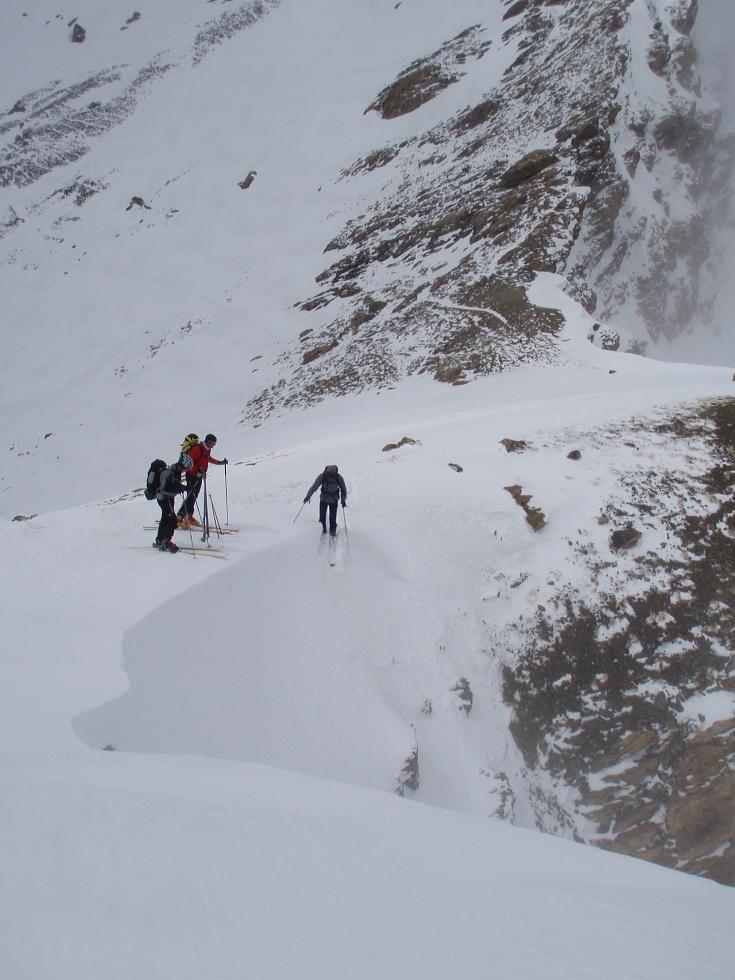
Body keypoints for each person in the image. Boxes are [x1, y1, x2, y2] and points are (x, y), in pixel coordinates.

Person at [178, 433, 227, 528]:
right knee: (190, 496)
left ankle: (189, 516)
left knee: (194, 496)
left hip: (199, 475)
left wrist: (220, 463)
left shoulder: (207, 449)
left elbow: (208, 459)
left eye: (214, 444)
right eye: (210, 443)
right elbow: (189, 463)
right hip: (192, 475)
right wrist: (197, 472)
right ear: (206, 441)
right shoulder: (198, 449)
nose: (212, 445)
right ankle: (180, 518)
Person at [156, 454, 190, 553]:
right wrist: (182, 488)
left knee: (165, 518)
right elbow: (166, 488)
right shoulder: (172, 473)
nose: (185, 470)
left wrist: (182, 487)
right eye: (186, 468)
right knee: (172, 520)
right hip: (165, 498)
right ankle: (166, 542)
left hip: (165, 498)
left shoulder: (176, 472)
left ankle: (159, 539)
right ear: (181, 465)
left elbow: (174, 485)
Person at [303, 465, 347, 537]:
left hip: (324, 499)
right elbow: (343, 489)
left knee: (322, 515)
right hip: (334, 500)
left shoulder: (323, 476)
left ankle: (322, 529)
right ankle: (332, 531)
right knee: (333, 516)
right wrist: (343, 500)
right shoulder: (338, 477)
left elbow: (314, 486)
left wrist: (308, 496)